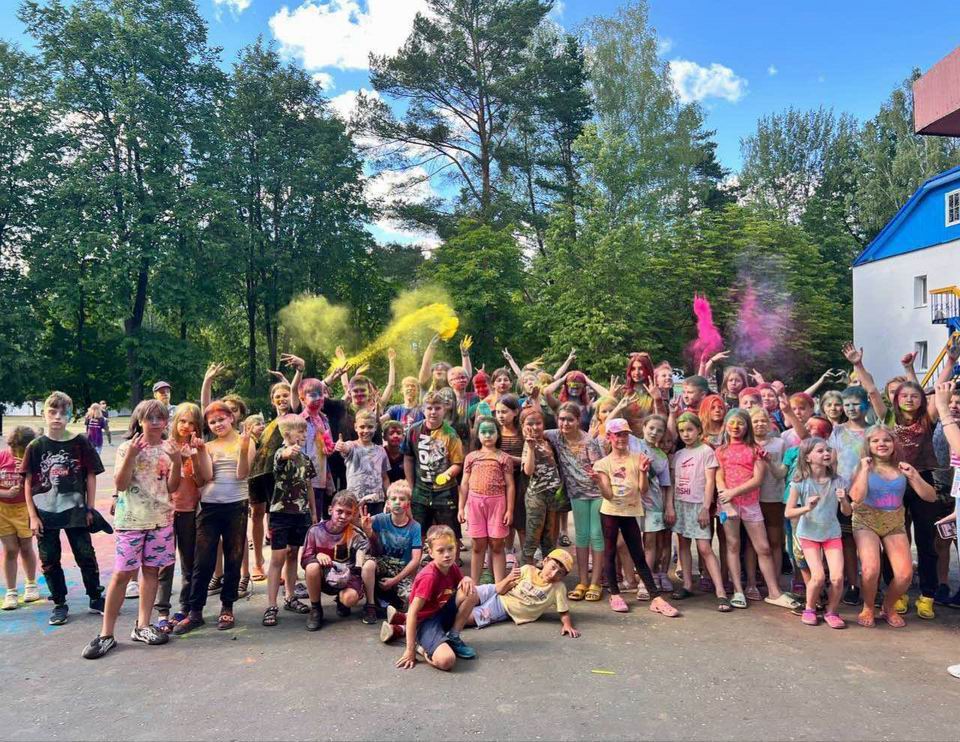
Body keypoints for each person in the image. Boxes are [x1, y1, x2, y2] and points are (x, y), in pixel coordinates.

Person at [82, 400, 184, 659]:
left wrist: (177, 461)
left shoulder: (168, 449)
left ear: (166, 421)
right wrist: (131, 456)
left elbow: (172, 487)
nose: (155, 423)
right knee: (123, 574)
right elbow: (121, 484)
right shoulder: (128, 447)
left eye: (160, 418)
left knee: (151, 571)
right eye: (150, 418)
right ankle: (106, 633)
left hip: (160, 519)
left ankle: (143, 625)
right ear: (140, 421)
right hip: (131, 521)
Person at [21, 391, 105, 625]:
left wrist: (90, 508)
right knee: (49, 559)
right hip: (44, 514)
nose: (57, 416)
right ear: (44, 414)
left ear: (70, 415)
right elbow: (28, 481)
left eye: (63, 412)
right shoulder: (36, 446)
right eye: (52, 411)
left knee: (85, 554)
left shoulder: (80, 442)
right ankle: (59, 602)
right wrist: (32, 516)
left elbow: (91, 475)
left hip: (75, 511)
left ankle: (95, 596)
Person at [173, 401, 255, 634]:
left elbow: (242, 473)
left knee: (233, 557)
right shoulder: (208, 446)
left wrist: (244, 447)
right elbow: (207, 477)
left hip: (236, 506)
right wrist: (199, 452)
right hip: (209, 507)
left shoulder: (245, 440)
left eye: (221, 419)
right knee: (203, 560)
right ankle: (195, 611)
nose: (218, 424)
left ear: (231, 418)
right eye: (212, 422)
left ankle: (227, 606)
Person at [850, 425, 936, 628]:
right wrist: (864, 470)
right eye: (875, 441)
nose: (881, 444)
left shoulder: (903, 468)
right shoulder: (862, 467)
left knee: (905, 575)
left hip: (894, 521)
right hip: (866, 519)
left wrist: (914, 476)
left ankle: (888, 607)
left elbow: (931, 497)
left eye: (886, 440)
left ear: (894, 444)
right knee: (870, 570)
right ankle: (868, 606)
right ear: (868, 445)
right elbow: (856, 497)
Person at [715, 408, 800, 611]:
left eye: (740, 423)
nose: (736, 427)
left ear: (747, 426)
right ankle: (738, 590)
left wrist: (733, 492)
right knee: (733, 546)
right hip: (727, 504)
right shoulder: (720, 450)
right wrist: (726, 498)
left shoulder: (756, 449)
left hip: (750, 504)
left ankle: (774, 592)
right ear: (726, 425)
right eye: (732, 423)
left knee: (763, 547)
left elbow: (758, 479)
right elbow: (719, 476)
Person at [593, 418, 679, 617]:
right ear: (610, 437)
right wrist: (599, 482)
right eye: (617, 435)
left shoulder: (638, 457)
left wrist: (642, 472)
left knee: (638, 554)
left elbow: (643, 489)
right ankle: (614, 594)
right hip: (610, 512)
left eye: (625, 434)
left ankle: (655, 597)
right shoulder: (602, 463)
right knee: (609, 552)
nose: (621, 438)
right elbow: (608, 495)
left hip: (631, 512)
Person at [384, 524, 478, 671]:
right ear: (431, 553)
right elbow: (413, 612)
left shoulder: (451, 566)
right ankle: (420, 647)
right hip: (425, 623)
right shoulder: (429, 577)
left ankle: (453, 637)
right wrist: (409, 650)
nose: (447, 555)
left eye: (450, 549)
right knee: (447, 661)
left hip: (441, 612)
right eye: (441, 550)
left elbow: (461, 586)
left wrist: (466, 578)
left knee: (471, 591)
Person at [784, 437, 850, 629]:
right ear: (808, 457)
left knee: (837, 577)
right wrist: (807, 507)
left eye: (827, 450)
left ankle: (832, 612)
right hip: (809, 534)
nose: (826, 453)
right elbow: (788, 512)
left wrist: (843, 500)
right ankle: (810, 608)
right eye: (820, 451)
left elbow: (847, 512)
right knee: (818, 577)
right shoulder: (799, 483)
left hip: (831, 533)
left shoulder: (838, 481)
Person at [248, 354, 304, 581]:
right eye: (277, 396)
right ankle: (258, 563)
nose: (282, 399)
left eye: (285, 395)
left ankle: (277, 567)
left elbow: (295, 392)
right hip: (257, 474)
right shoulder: (268, 424)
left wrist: (299, 371)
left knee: (276, 518)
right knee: (256, 514)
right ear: (272, 401)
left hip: (278, 476)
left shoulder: (294, 416)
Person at [155, 403, 208, 633]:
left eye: (192, 423)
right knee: (164, 564)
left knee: (189, 562)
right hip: (166, 511)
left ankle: (185, 608)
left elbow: (201, 481)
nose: (186, 426)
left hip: (189, 511)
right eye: (182, 421)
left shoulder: (197, 448)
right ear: (174, 421)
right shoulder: (164, 447)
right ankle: (162, 612)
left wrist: (194, 458)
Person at [544, 402, 604, 602]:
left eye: (570, 419)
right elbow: (536, 430)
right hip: (577, 494)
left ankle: (596, 582)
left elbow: (599, 469)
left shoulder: (589, 441)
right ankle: (583, 581)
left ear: (578, 420)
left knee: (596, 535)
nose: (565, 423)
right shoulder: (555, 436)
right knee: (581, 537)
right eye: (561, 419)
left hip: (596, 494)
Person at [262, 414, 317, 628]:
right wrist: (287, 452)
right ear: (287, 434)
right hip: (280, 513)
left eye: (305, 431)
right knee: (278, 556)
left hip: (301, 513)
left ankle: (290, 596)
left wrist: (313, 512)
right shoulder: (281, 453)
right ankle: (271, 604)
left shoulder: (306, 458)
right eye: (300, 431)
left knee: (294, 553)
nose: (304, 435)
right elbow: (280, 458)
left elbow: (309, 486)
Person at [670, 413, 729, 610]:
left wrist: (705, 507)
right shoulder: (678, 455)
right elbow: (673, 482)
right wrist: (671, 506)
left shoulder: (706, 451)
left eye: (690, 430)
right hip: (681, 503)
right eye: (682, 431)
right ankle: (687, 584)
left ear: (699, 430)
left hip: (698, 505)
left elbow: (710, 481)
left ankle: (720, 591)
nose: (686, 434)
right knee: (683, 544)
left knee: (704, 548)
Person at [460, 548, 581, 637]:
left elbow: (564, 611)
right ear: (545, 561)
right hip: (496, 590)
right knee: (465, 593)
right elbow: (500, 590)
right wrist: (509, 578)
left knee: (466, 618)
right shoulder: (527, 569)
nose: (553, 574)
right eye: (553, 567)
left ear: (563, 577)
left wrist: (567, 625)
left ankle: (449, 626)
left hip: (504, 607)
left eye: (560, 573)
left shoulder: (558, 588)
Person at [402, 392, 464, 549]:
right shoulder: (413, 430)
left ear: (444, 409)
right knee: (419, 530)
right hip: (420, 490)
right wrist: (411, 486)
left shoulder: (451, 434)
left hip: (445, 491)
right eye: (429, 408)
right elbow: (408, 458)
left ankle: (453, 562)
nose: (433, 412)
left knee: (450, 532)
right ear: (423, 409)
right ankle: (423, 559)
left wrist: (447, 473)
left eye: (437, 408)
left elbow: (458, 463)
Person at [301, 491, 370, 630]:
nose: (343, 516)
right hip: (323, 576)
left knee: (350, 599)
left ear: (353, 515)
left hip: (346, 577)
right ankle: (316, 609)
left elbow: (370, 554)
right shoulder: (315, 531)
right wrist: (317, 556)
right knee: (312, 567)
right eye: (339, 511)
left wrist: (369, 534)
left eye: (348, 513)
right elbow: (304, 559)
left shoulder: (356, 533)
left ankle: (341, 600)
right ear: (330, 510)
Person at [458, 416, 515, 585]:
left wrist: (509, 510)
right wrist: (461, 508)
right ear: (478, 434)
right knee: (478, 545)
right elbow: (464, 484)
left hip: (497, 504)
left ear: (498, 434)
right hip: (475, 504)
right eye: (483, 432)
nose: (488, 435)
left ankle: (500, 586)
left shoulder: (504, 458)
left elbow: (510, 485)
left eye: (491, 431)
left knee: (497, 545)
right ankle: (474, 586)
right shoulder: (471, 457)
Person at [829, 385, 871, 605]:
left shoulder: (874, 431)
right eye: (847, 405)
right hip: (843, 492)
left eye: (856, 404)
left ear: (866, 405)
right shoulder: (837, 431)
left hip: (870, 493)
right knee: (848, 541)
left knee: (869, 541)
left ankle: (871, 584)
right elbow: (832, 461)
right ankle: (853, 584)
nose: (851, 408)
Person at [361, 481, 422, 622]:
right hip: (382, 564)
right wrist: (365, 527)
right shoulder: (380, 519)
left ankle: (391, 603)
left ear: (408, 504)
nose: (397, 502)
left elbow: (415, 560)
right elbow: (357, 522)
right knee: (368, 565)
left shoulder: (415, 527)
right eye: (393, 499)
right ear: (388, 503)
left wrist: (394, 581)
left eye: (402, 499)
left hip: (401, 570)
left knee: (412, 601)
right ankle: (370, 605)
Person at [746, 407, 787, 598]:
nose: (760, 424)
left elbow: (783, 472)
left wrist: (770, 461)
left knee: (775, 541)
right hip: (750, 499)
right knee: (751, 543)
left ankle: (775, 582)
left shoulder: (780, 443)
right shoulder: (745, 444)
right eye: (755, 421)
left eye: (763, 420)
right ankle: (752, 583)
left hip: (774, 497)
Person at [1, 426, 40, 610]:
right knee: (10, 549)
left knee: (25, 546)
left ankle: (31, 584)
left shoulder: (32, 460)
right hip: (3, 510)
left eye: (20, 451)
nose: (15, 453)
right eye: (13, 449)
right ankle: (11, 591)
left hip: (24, 508)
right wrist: (6, 493)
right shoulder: (2, 457)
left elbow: (40, 485)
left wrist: (24, 477)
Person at [520, 405, 563, 566]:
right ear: (523, 426)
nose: (535, 427)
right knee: (532, 539)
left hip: (552, 495)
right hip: (537, 496)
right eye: (530, 424)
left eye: (538, 423)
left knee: (549, 540)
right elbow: (528, 470)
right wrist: (531, 448)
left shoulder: (546, 441)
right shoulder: (528, 444)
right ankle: (525, 574)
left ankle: (548, 573)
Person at [335, 410, 390, 515]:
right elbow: (345, 448)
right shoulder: (352, 446)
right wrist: (341, 446)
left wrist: (389, 498)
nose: (366, 430)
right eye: (362, 427)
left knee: (374, 525)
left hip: (376, 501)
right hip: (355, 500)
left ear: (376, 427)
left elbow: (385, 477)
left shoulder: (381, 450)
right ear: (356, 427)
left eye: (370, 427)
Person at [495, 394, 525, 568]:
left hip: (520, 480)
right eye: (498, 412)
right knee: (504, 517)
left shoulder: (522, 432)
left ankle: (526, 555)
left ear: (515, 412)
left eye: (504, 412)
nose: (500, 415)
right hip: (499, 480)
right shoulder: (494, 432)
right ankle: (508, 550)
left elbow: (528, 459)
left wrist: (509, 459)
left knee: (520, 517)